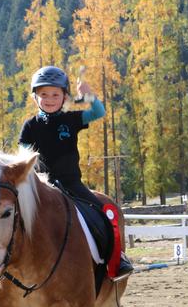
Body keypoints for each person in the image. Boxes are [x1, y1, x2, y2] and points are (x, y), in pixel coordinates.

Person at [19, 66, 133, 281]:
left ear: (65, 97)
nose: (49, 99)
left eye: (55, 94)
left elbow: (99, 112)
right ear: (35, 97)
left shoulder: (71, 119)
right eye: (44, 94)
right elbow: (23, 157)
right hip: (41, 187)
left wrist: (89, 95)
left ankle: (117, 260)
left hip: (72, 184)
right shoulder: (30, 126)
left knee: (103, 215)